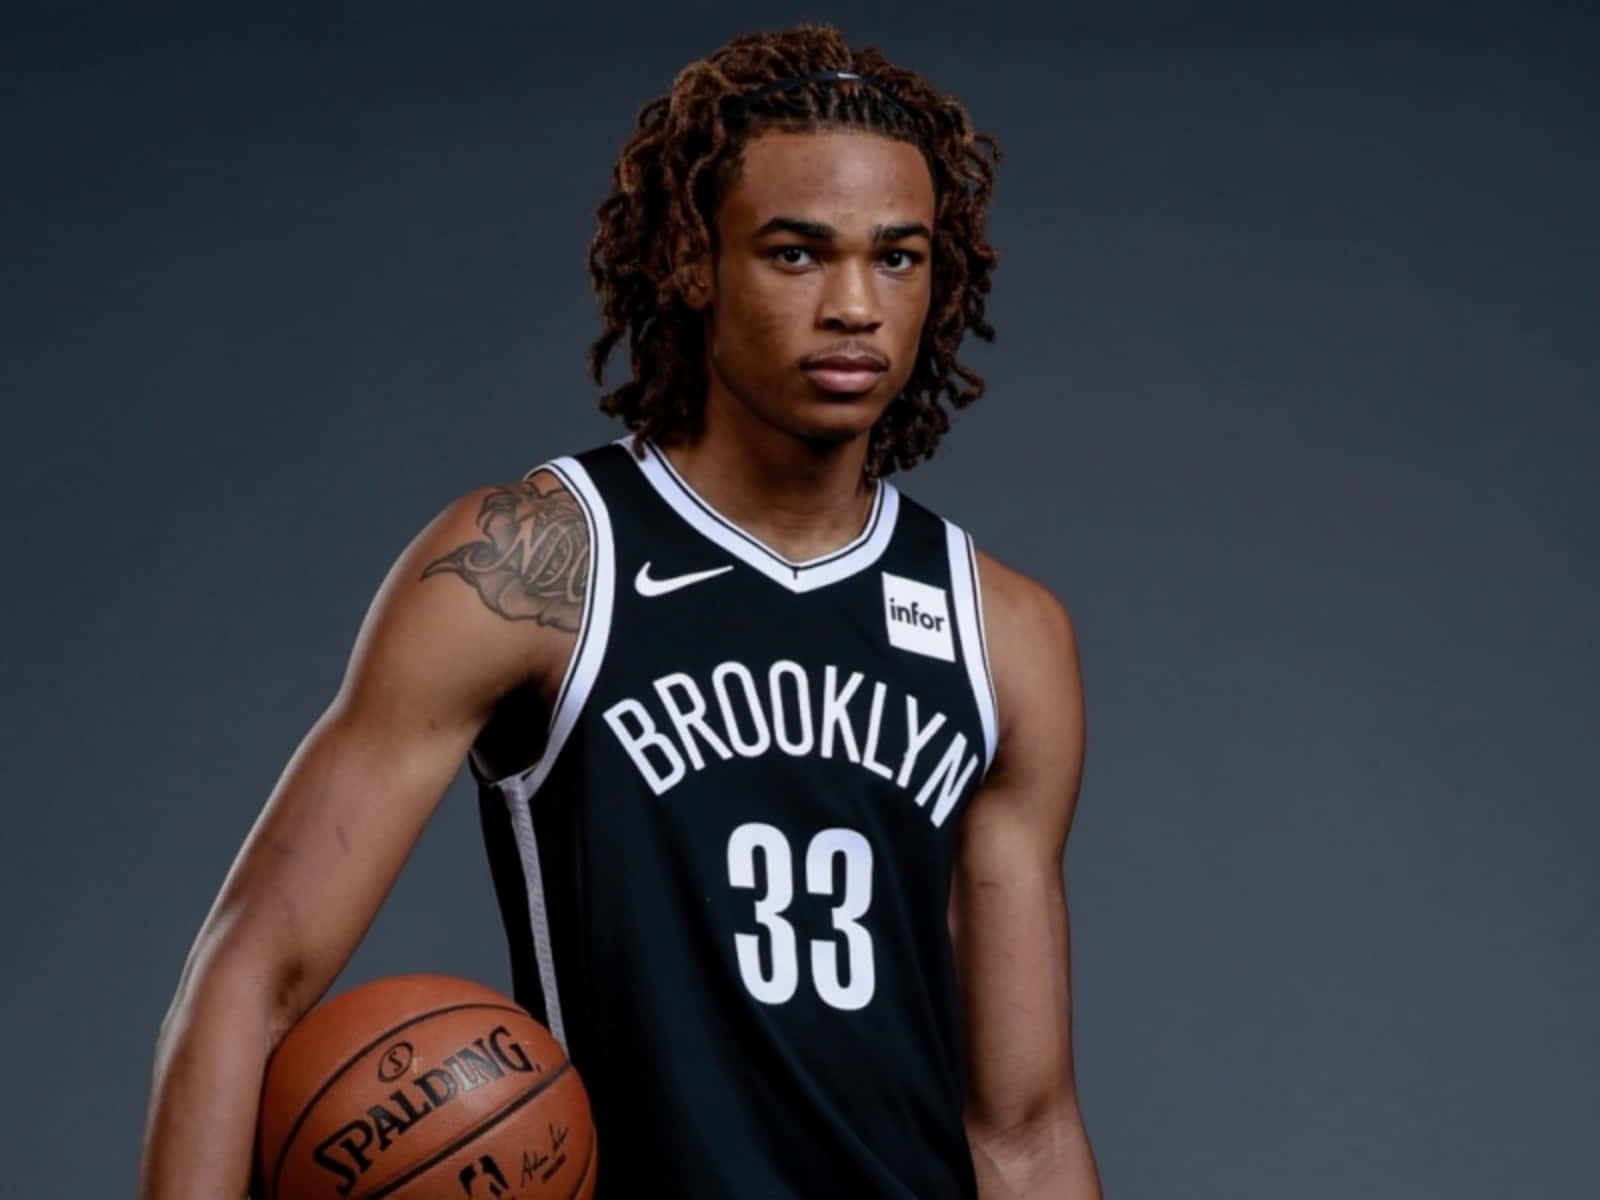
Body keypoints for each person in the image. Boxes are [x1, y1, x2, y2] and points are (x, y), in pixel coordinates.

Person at [137, 25, 1101, 1200]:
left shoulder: (1001, 632)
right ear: (694, 260)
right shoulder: (540, 564)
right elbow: (249, 975)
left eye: (896, 258)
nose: (855, 305)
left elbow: (1023, 1129)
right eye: (796, 253)